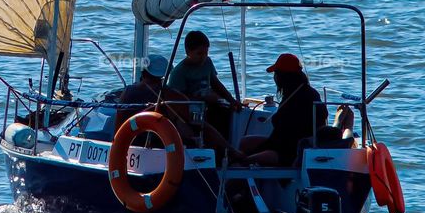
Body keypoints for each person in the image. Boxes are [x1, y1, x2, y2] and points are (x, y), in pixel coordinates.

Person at [118, 52, 247, 163]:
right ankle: (231, 153)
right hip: (159, 146)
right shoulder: (169, 95)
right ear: (164, 75)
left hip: (128, 147)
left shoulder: (127, 92)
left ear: (143, 72)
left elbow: (118, 127)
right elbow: (197, 123)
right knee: (200, 126)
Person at [239, 53, 327, 166]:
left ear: (283, 76)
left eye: (276, 73)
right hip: (284, 144)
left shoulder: (297, 96)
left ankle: (240, 180)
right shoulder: (303, 92)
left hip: (289, 151)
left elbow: (288, 131)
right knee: (245, 142)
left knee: (243, 161)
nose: (274, 77)